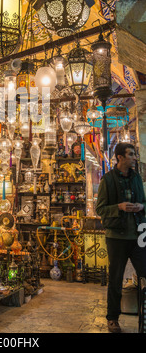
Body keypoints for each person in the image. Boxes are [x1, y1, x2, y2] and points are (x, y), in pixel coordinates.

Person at [96, 142, 146, 333]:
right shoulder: (108, 180)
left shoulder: (136, 178)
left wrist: (141, 207)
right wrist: (119, 207)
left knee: (145, 273)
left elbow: (144, 202)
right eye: (131, 154)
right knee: (116, 278)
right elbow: (100, 209)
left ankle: (144, 314)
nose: (134, 157)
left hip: (139, 233)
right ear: (120, 158)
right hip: (116, 237)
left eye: (135, 154)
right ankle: (112, 318)